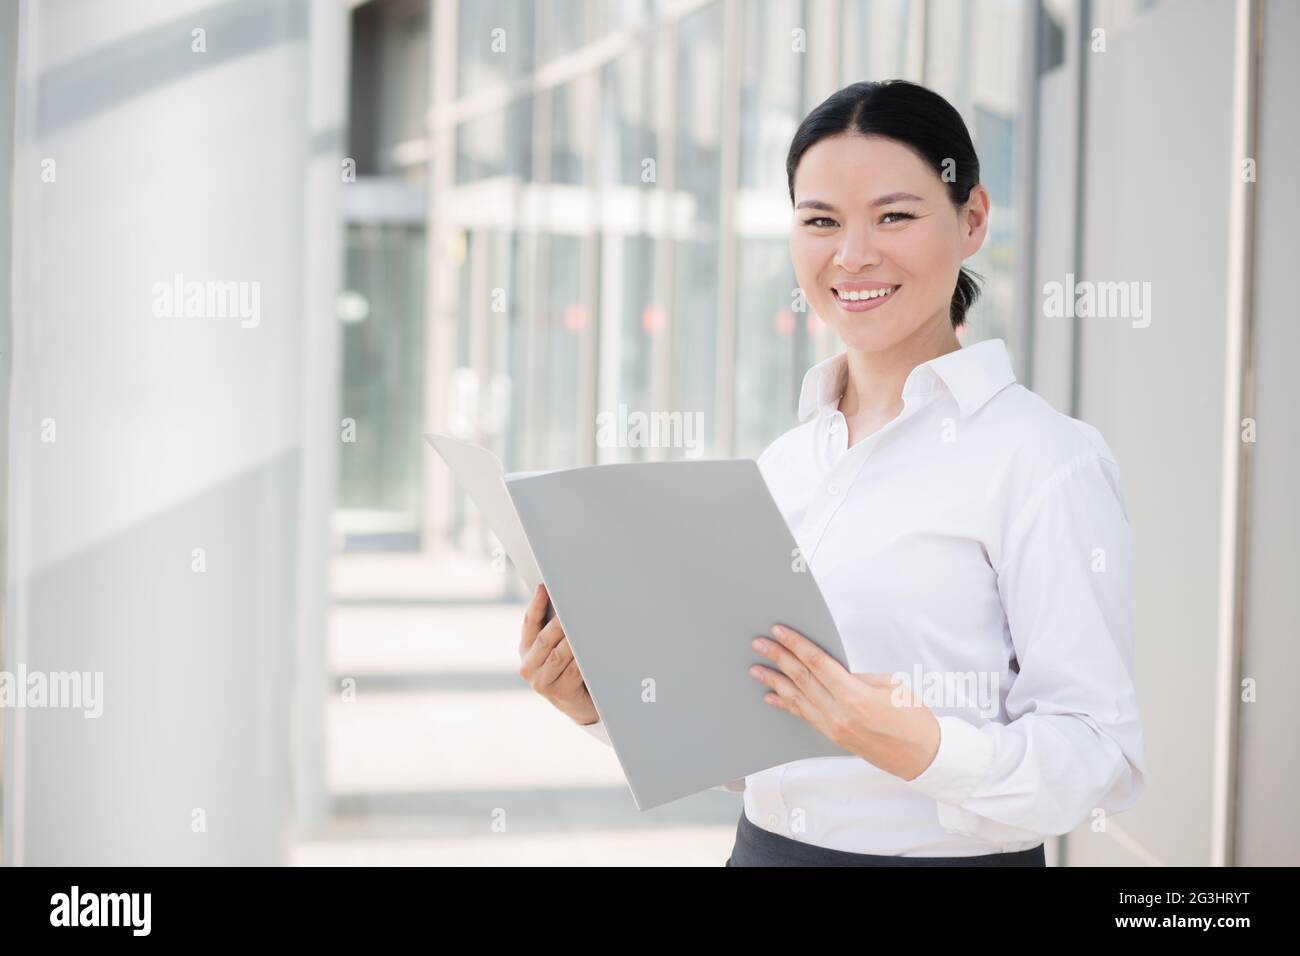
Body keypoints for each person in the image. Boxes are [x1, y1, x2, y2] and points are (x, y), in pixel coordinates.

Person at [518, 79, 1145, 866]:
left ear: (973, 218)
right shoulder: (788, 463)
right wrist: (602, 709)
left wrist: (928, 749)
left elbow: (1100, 752)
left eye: (895, 216)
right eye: (821, 221)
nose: (853, 255)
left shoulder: (1045, 461)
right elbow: (755, 744)